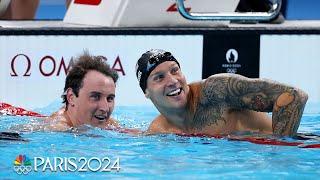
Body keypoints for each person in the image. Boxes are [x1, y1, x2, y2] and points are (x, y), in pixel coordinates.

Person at [135, 49, 308, 137]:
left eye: (175, 70)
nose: (172, 81)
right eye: (159, 77)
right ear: (147, 92)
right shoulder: (159, 131)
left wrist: (280, 152)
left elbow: (294, 96)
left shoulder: (217, 90)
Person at [48, 52, 120, 131]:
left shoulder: (110, 124)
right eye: (95, 97)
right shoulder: (55, 130)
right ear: (71, 97)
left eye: (110, 98)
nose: (105, 108)